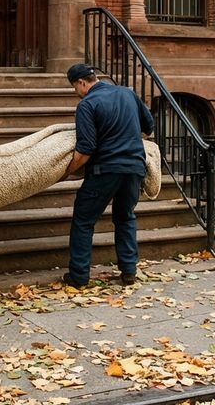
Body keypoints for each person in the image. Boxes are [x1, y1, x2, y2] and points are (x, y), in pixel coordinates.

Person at [61, 63, 154, 287]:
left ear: (82, 83)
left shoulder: (87, 105)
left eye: (75, 88)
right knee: (125, 217)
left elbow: (85, 149)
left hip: (105, 170)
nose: (77, 93)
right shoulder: (127, 93)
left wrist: (67, 172)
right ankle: (129, 271)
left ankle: (79, 276)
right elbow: (148, 126)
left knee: (84, 220)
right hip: (134, 168)